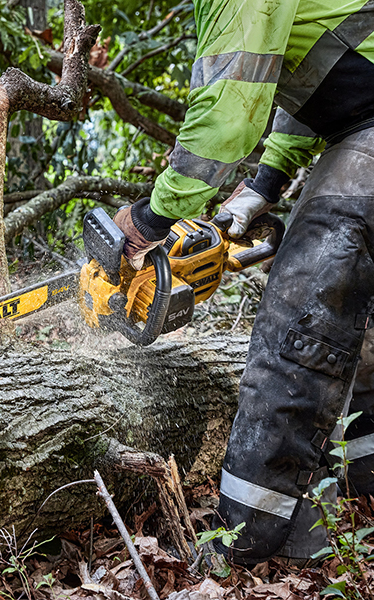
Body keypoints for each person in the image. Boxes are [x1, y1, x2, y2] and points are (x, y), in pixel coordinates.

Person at [113, 0, 374, 564]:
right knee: (360, 316)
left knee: (302, 315)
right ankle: (363, 477)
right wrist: (267, 182)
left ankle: (252, 537)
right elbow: (325, 70)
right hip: (360, 121)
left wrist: (149, 221)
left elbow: (229, 118)